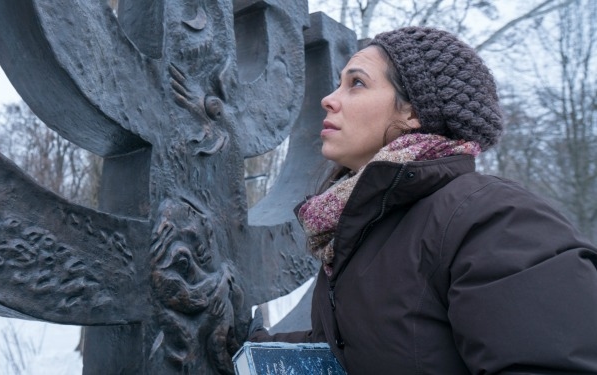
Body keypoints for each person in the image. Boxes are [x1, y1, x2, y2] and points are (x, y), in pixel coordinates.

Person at [248, 26, 597, 374]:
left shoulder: (495, 218)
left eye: (356, 83)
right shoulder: (359, 229)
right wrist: (247, 345)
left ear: (414, 113)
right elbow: (362, 349)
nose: (328, 99)